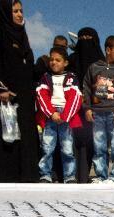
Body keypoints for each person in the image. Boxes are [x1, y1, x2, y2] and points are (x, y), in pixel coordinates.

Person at [0, 0, 40, 182]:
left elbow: (27, 64)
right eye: (14, 11)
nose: (19, 14)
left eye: (21, 11)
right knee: (8, 133)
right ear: (5, 12)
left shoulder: (22, 35)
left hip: (24, 94)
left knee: (25, 133)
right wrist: (1, 87)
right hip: (6, 93)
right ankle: (6, 175)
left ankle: (26, 174)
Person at [83, 35, 114, 184]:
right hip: (97, 114)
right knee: (99, 147)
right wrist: (87, 108)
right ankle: (101, 176)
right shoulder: (94, 67)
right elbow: (86, 88)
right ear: (108, 50)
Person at [35, 46, 83, 183]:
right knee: (47, 147)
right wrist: (51, 113)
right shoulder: (45, 78)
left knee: (67, 148)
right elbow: (41, 96)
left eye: (58, 60)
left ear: (65, 63)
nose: (54, 62)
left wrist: (65, 116)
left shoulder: (71, 78)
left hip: (66, 116)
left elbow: (76, 97)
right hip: (50, 115)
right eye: (52, 60)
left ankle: (69, 176)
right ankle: (45, 175)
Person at [68, 27, 104, 183]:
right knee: (72, 142)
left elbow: (103, 85)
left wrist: (94, 104)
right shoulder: (72, 60)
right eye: (83, 38)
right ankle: (72, 176)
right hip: (73, 109)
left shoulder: (102, 62)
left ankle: (84, 176)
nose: (86, 42)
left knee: (91, 143)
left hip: (93, 109)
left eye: (89, 38)